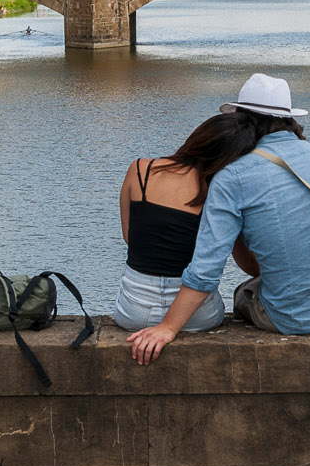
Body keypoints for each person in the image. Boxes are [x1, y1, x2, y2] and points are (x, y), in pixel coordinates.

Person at [127, 74, 310, 365]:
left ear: (240, 122)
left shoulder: (232, 177)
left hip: (290, 320)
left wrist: (168, 328)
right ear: (290, 120)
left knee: (243, 294)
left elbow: (206, 273)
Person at [110, 113, 260, 334]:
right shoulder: (221, 194)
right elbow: (248, 265)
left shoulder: (140, 170)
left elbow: (130, 237)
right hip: (197, 316)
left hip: (132, 312)